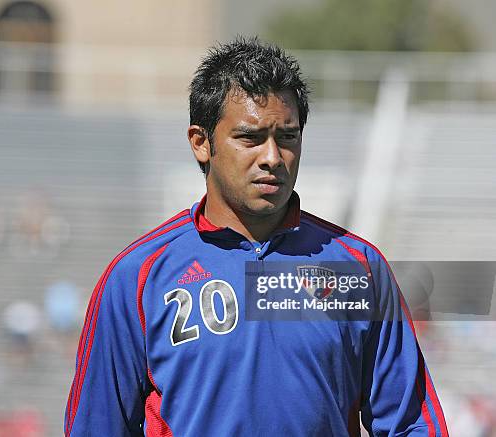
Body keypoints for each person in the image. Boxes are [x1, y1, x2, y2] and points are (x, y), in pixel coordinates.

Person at [64, 37, 448, 436]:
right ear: (201, 143)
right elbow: (96, 425)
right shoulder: (137, 277)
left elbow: (411, 424)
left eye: (287, 137)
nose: (272, 157)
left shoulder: (357, 268)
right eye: (250, 138)